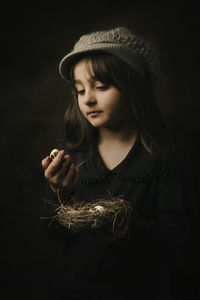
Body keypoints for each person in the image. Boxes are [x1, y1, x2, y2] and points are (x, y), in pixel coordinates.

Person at [41, 27, 188, 300]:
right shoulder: (70, 157)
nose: (88, 99)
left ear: (132, 87)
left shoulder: (162, 162)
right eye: (79, 89)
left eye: (101, 86)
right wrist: (60, 193)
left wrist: (127, 226)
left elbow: (177, 245)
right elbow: (53, 235)